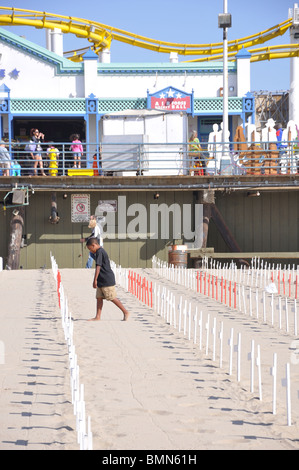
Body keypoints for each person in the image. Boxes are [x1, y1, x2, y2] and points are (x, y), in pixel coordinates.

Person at [86, 237, 130, 321]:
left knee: (111, 297)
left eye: (90, 249)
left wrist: (94, 280)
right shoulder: (98, 251)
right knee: (99, 298)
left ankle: (125, 312)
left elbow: (98, 266)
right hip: (101, 279)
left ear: (94, 245)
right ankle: (97, 317)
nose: (91, 251)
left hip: (106, 279)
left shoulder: (100, 252)